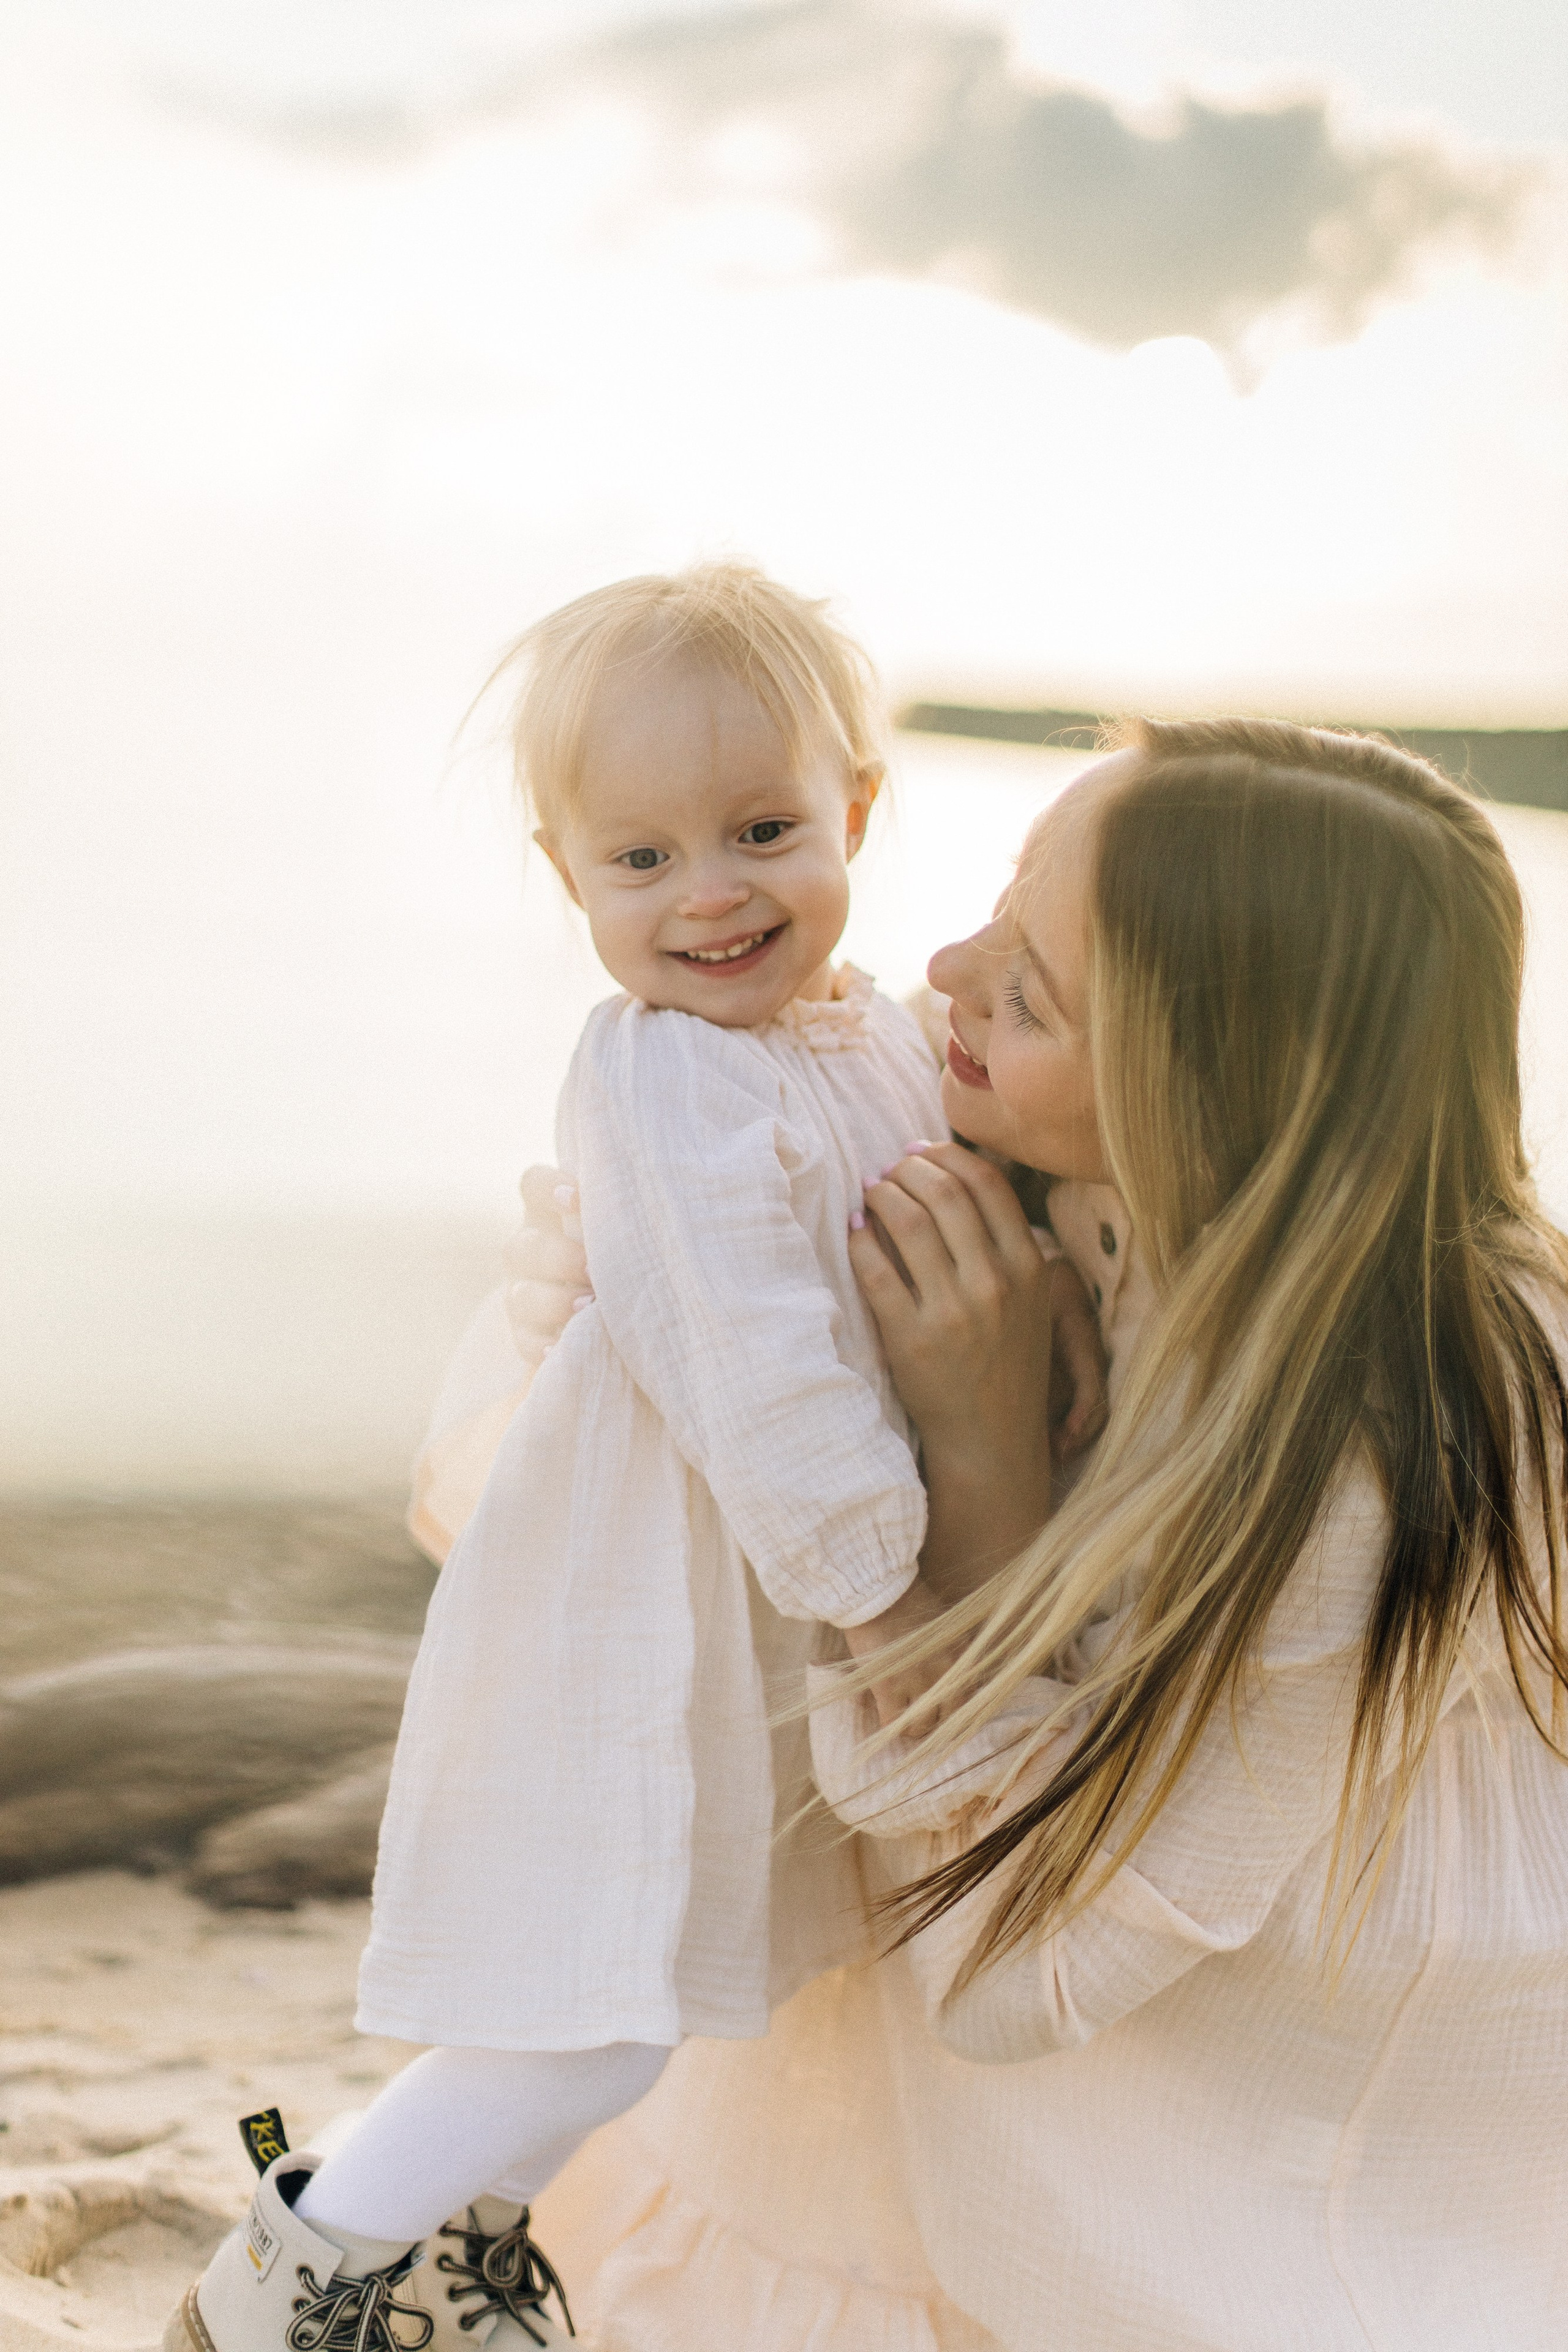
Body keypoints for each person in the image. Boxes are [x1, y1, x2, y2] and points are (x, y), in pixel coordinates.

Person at [508, 720, 1568, 2350]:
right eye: (999, 904)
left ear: (1210, 1081)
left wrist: (977, 1458)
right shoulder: (1150, 1201)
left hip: (1281, 2158)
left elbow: (1023, 1984)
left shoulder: (1384, 1429)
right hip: (1142, 1953)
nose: (940, 966)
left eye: (1030, 994)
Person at [164, 562, 1098, 2352]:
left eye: (762, 830)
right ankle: (283, 2288)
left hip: (752, 1642)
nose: (715, 896)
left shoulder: (889, 1042)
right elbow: (753, 1368)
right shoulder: (664, 1076)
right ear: (567, 875)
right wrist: (883, 1588)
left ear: (860, 812)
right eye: (644, 859)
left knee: (694, 1981)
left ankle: (452, 2248)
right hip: (650, 1626)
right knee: (591, 2004)